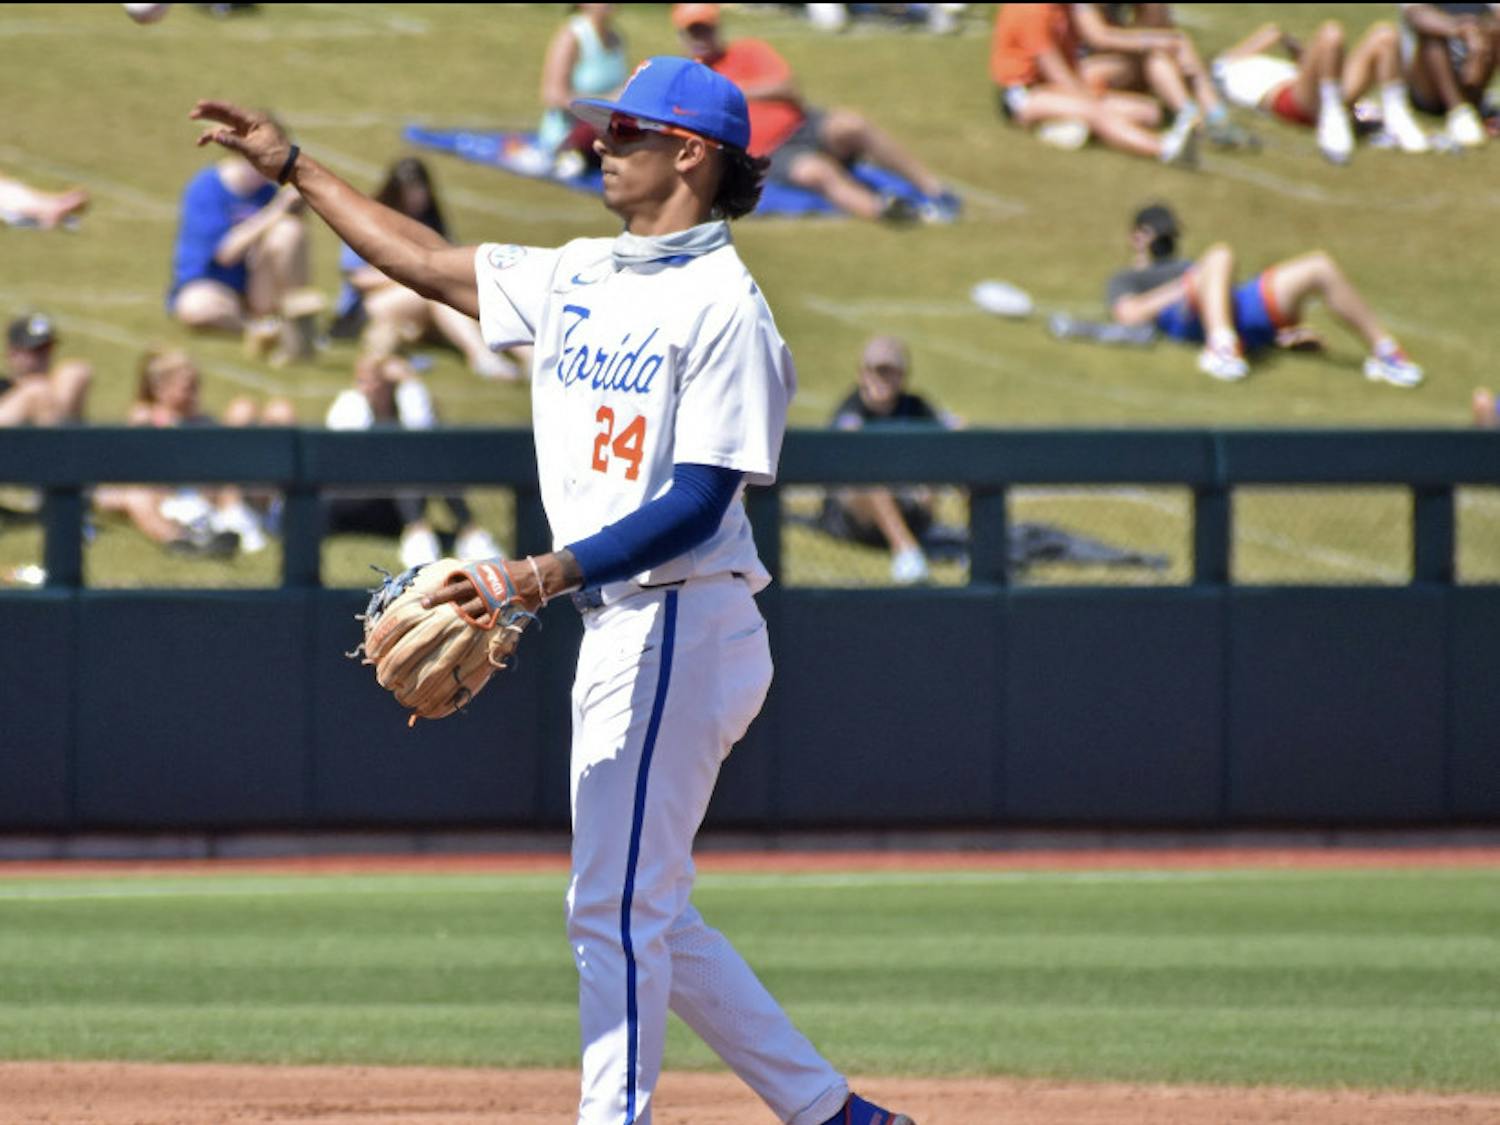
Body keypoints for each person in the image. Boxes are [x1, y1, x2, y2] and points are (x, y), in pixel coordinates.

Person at [190, 53, 917, 1125]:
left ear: (690, 153)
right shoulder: (582, 269)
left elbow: (700, 500)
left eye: (623, 132)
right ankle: (835, 1115)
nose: (596, 145)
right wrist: (294, 166)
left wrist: (537, 573)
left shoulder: (727, 308)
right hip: (622, 622)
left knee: (613, 911)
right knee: (641, 908)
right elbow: (422, 260)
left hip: (681, 614)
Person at [675, 2, 960, 223]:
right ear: (683, 37)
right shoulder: (690, 81)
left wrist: (734, 90)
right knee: (816, 172)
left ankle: (934, 189)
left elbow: (788, 88)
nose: (702, 37)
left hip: (802, 124)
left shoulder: (749, 51)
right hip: (768, 152)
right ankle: (897, 214)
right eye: (694, 31)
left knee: (852, 124)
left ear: (717, 28)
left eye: (706, 29)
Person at [1106, 203, 1424, 387]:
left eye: (1168, 235)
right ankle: (1222, 348)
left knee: (1319, 266)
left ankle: (1388, 354)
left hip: (1236, 306)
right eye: (1154, 234)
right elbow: (1128, 314)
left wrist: (1284, 336)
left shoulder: (1188, 264)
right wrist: (1187, 285)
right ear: (1135, 237)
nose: (1163, 242)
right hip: (1185, 314)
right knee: (1220, 254)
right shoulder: (1128, 277)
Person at [332, 158, 523, 381]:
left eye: (420, 190)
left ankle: (528, 353)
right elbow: (359, 279)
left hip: (418, 305)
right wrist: (416, 274)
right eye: (410, 191)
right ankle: (482, 357)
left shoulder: (430, 222)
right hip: (371, 308)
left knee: (470, 296)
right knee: (436, 293)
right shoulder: (371, 220)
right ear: (395, 191)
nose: (417, 197)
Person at [92, 347, 291, 557]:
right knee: (136, 497)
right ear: (161, 389)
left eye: (197, 385)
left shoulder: (203, 421)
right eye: (188, 387)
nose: (195, 393)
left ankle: (243, 522)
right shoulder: (147, 419)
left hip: (200, 493)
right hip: (163, 494)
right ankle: (181, 542)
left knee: (243, 425)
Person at [324, 353, 505, 568]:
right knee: (405, 456)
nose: (369, 388)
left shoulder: (403, 403)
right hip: (349, 498)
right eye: (362, 381)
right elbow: (352, 461)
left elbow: (424, 435)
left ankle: (469, 532)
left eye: (377, 380)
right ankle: (419, 530)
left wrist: (410, 383)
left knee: (428, 454)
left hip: (391, 502)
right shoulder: (349, 405)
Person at [818, 336, 961, 585]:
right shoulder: (852, 410)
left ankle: (983, 542)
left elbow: (956, 428)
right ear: (862, 374)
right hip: (853, 518)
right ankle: (907, 552)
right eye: (877, 371)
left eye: (891, 372)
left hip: (910, 502)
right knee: (867, 471)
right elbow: (844, 450)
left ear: (903, 376)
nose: (883, 379)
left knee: (948, 459)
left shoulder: (916, 406)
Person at [168, 143, 323, 365]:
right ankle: (261, 330)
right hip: (214, 285)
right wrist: (276, 211)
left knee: (290, 230)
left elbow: (289, 242)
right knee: (196, 307)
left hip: (256, 288)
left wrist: (295, 212)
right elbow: (225, 253)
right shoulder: (207, 188)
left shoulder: (266, 192)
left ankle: (297, 324)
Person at [990, 3, 1201, 164]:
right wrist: (1090, 97)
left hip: (1056, 88)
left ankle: (1066, 125)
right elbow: (1054, 70)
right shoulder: (1030, 10)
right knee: (1095, 110)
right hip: (1025, 94)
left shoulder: (1064, 8)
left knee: (1148, 113)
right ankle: (1164, 149)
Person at [1211, 19, 1430, 163]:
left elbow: (1306, 62)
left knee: (1385, 35)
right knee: (1330, 34)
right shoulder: (1225, 67)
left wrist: (1296, 51)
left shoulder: (1263, 66)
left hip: (1312, 90)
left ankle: (1397, 115)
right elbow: (1272, 32)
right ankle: (1333, 120)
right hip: (1290, 99)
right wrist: (1278, 38)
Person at [1072, 3, 1258, 149]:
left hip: (1115, 63)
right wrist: (1154, 41)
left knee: (1165, 50)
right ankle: (1198, 116)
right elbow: (1099, 37)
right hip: (1083, 72)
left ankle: (1211, 116)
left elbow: (1160, 27)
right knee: (1158, 50)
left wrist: (1159, 23)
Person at [536, 4, 630, 174]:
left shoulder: (617, 38)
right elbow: (553, 95)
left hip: (606, 126)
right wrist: (604, 103)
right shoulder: (572, 36)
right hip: (570, 132)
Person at [1400, 3, 1498, 147]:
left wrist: (1480, 41)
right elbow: (1415, 14)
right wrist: (1459, 28)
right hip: (1427, 87)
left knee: (1496, 32)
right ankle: (1459, 112)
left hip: (1472, 80)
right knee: (1432, 37)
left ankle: (1470, 108)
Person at [0, 312, 93, 427]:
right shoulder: (4, 387)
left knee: (74, 372)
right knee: (37, 392)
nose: (43, 357)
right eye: (35, 350)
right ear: (13, 352)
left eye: (47, 349)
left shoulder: (57, 386)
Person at [0, 174, 89, 229]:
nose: (69, 196)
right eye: (72, 195)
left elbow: (31, 216)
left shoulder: (54, 213)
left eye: (73, 198)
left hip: (15, 205)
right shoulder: (56, 202)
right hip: (19, 198)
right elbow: (36, 195)